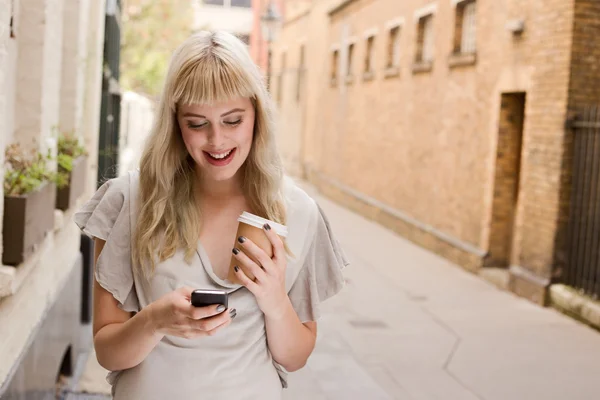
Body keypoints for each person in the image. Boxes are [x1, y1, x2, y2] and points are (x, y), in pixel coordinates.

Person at [74, 30, 348, 399]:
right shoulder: (131, 200)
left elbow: (296, 357)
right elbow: (108, 352)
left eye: (233, 121)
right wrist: (155, 321)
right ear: (175, 124)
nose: (217, 141)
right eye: (197, 123)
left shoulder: (298, 212)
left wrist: (275, 301)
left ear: (257, 116)